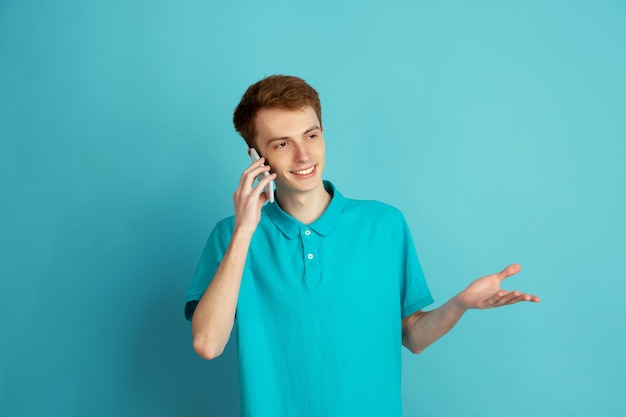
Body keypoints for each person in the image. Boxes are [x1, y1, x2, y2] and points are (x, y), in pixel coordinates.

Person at [184, 75, 540, 417]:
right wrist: (245, 231)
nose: (304, 155)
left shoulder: (384, 225)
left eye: (311, 135)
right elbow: (207, 344)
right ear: (255, 157)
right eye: (282, 143)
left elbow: (412, 336)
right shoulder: (230, 236)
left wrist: (459, 304)